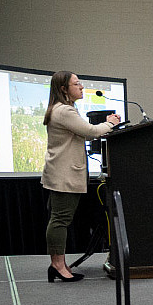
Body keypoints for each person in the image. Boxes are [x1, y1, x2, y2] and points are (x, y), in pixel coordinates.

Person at [40, 71, 120, 282]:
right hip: (63, 175)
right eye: (76, 84)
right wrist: (110, 122)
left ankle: (59, 263)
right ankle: (57, 265)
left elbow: (84, 133)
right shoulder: (64, 111)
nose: (82, 87)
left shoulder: (63, 109)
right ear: (64, 89)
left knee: (60, 219)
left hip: (61, 173)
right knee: (60, 220)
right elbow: (92, 132)